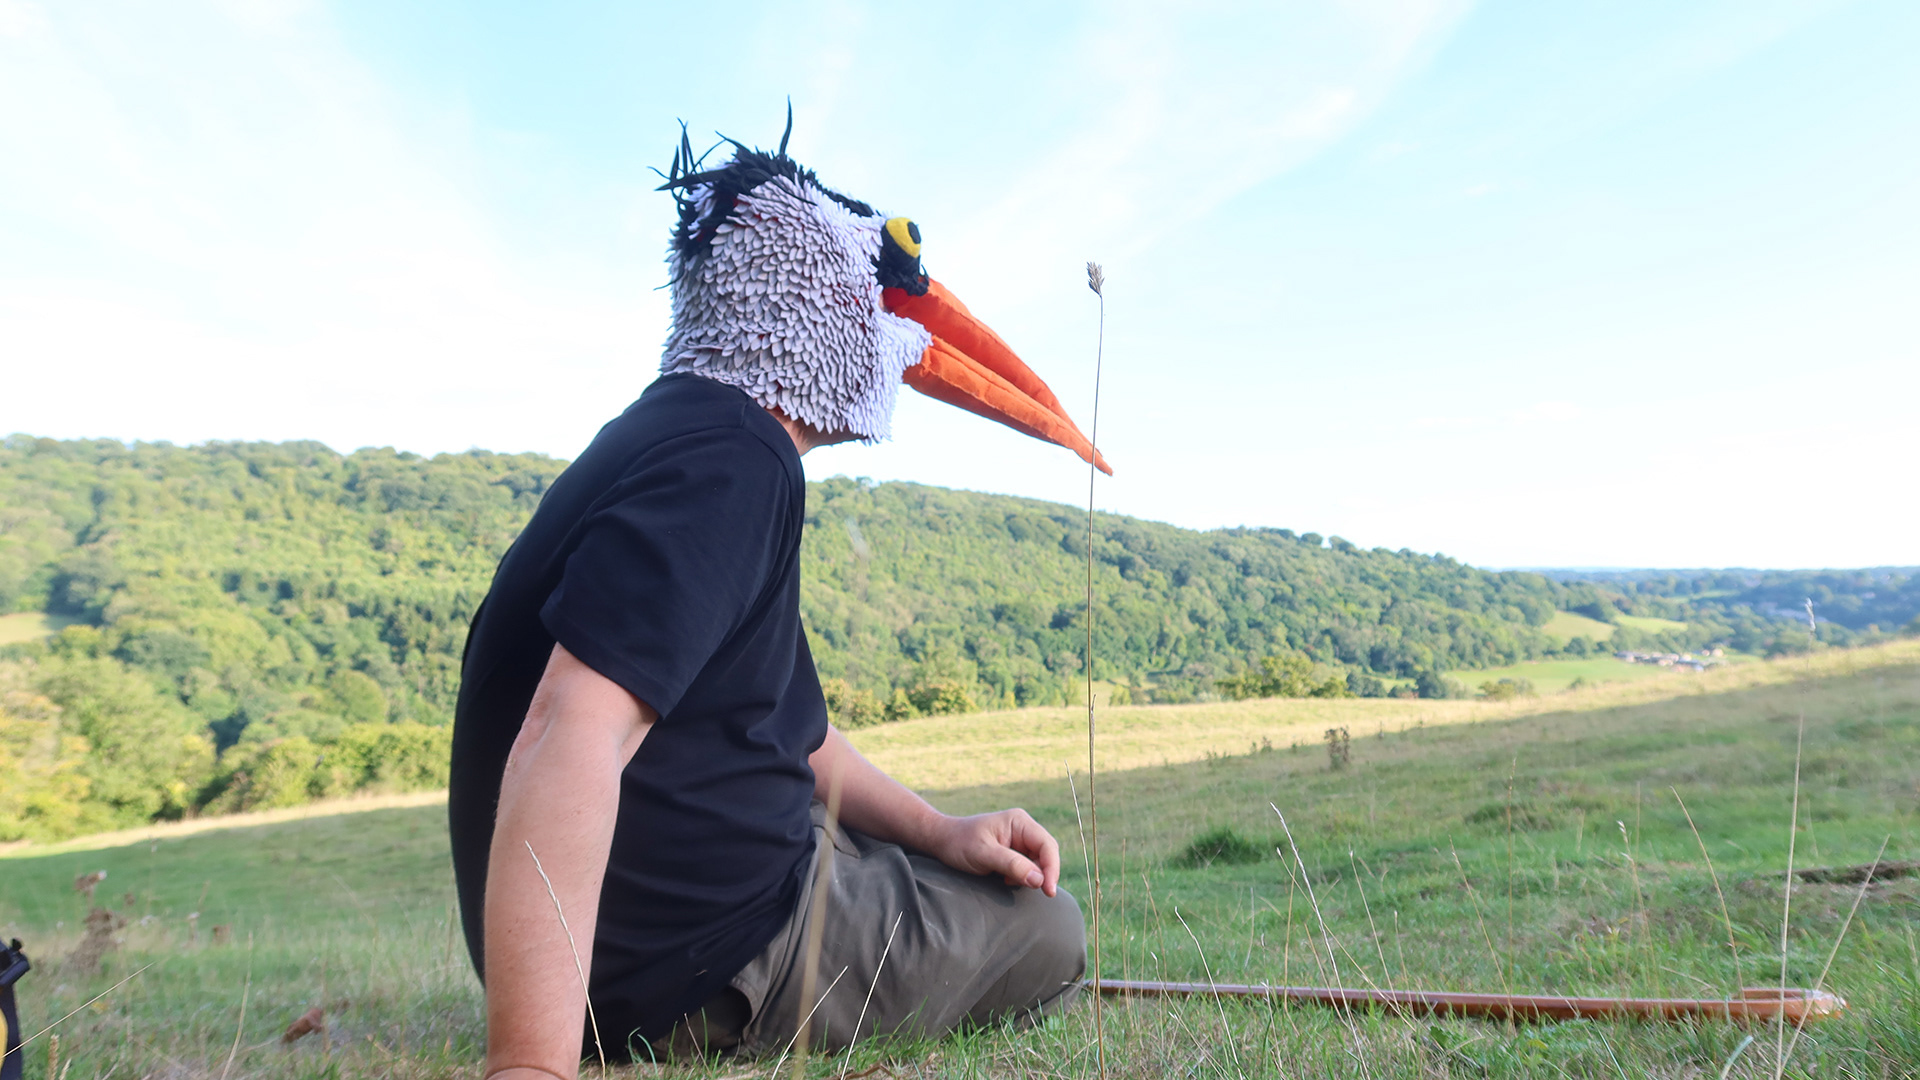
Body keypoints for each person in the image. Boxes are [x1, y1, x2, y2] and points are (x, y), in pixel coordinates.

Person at [449, 128, 1110, 1077]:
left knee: (903, 853)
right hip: (677, 970)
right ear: (817, 294)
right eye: (887, 291)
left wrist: (942, 831)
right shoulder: (738, 462)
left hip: (633, 930)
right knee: (1048, 929)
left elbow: (792, 737)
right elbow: (568, 730)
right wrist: (531, 1063)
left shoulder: (662, 438)